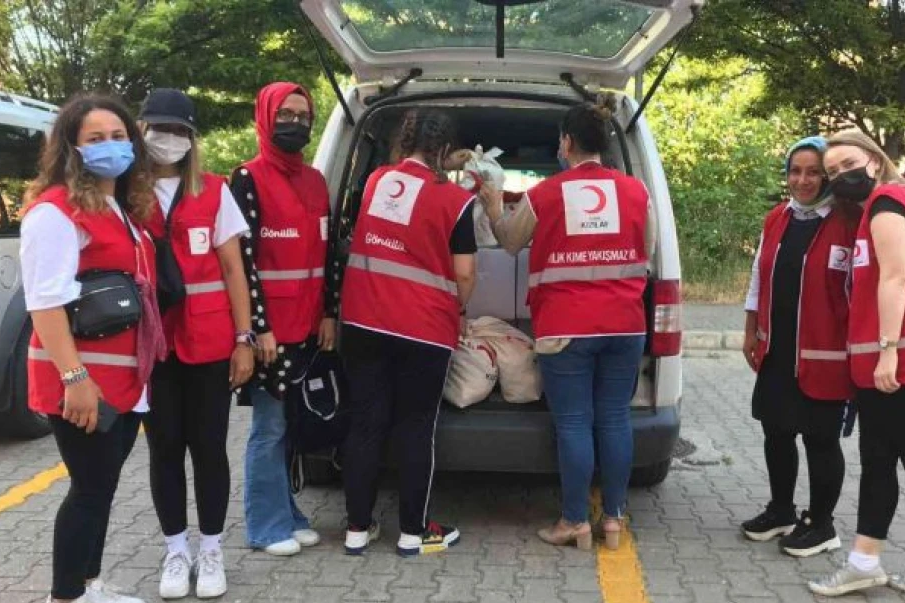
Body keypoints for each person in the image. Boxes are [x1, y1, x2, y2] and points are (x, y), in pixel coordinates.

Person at [484, 100, 656, 551]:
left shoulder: (545, 195)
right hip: (624, 326)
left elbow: (508, 242)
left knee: (575, 424)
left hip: (565, 328)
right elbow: (649, 250)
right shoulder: (638, 192)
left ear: (567, 143)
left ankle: (575, 521)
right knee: (615, 419)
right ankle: (615, 520)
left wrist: (489, 205)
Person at [809, 130, 905, 597]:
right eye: (833, 172)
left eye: (849, 164)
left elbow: (896, 278)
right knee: (883, 461)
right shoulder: (893, 204)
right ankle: (867, 559)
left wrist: (888, 349)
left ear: (875, 161)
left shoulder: (887, 205)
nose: (842, 176)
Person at [21, 94, 160, 603]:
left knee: (101, 488)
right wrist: (75, 379)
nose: (111, 147)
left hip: (123, 379)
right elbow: (45, 303)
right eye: (96, 139)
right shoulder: (55, 212)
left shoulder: (118, 208)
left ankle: (87, 583)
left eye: (119, 136)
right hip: (85, 381)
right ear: (72, 149)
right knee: (89, 489)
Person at [336, 108, 477, 557]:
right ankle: (415, 533)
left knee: (365, 424)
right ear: (442, 150)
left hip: (362, 320)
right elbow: (466, 273)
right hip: (423, 329)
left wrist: (440, 164)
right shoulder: (455, 202)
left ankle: (357, 529)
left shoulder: (377, 180)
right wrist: (458, 305)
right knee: (416, 428)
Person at [137, 88, 254, 599]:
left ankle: (210, 550)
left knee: (208, 449)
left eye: (179, 131)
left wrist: (245, 337)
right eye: (160, 130)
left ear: (191, 139)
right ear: (142, 133)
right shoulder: (123, 193)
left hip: (209, 343)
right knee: (164, 450)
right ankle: (175, 550)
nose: (169, 140)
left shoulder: (214, 191)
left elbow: (234, 269)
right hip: (152, 346)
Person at [228, 82, 336, 556]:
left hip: (309, 328)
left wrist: (330, 313)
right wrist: (257, 329)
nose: (296, 122)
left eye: (303, 114)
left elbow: (329, 254)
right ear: (266, 117)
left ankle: (288, 513)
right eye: (286, 113)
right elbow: (242, 260)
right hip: (271, 333)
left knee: (290, 426)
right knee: (268, 429)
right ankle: (265, 525)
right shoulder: (247, 178)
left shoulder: (315, 181)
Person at [739, 136, 854, 558]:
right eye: (795, 171)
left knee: (820, 438)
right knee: (776, 430)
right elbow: (759, 275)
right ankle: (781, 509)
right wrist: (751, 329)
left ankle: (821, 524)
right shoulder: (778, 218)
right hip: (777, 346)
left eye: (813, 172)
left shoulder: (847, 221)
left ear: (827, 176)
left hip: (824, 352)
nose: (802, 180)